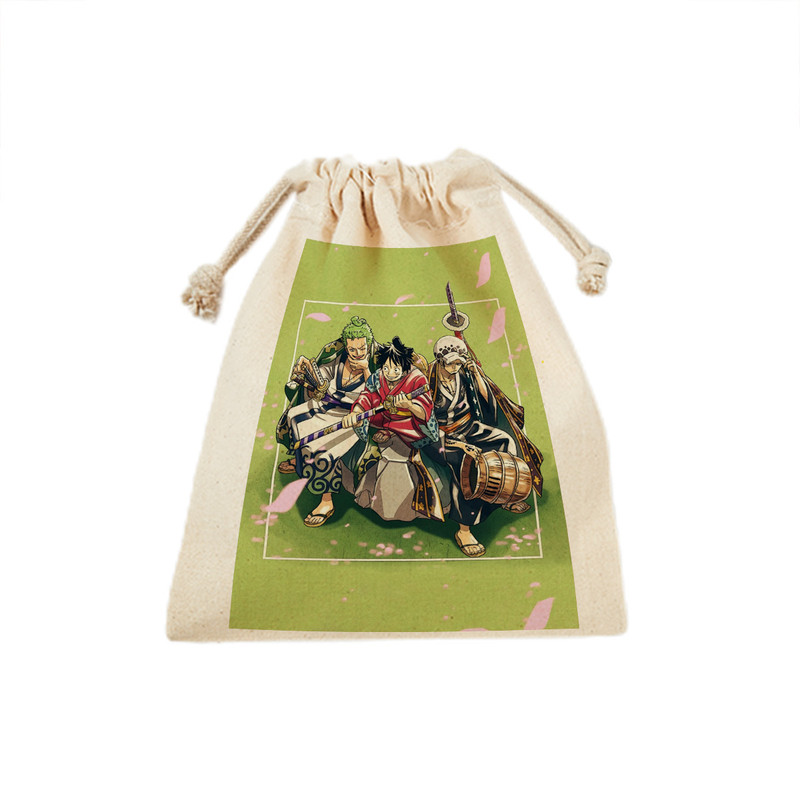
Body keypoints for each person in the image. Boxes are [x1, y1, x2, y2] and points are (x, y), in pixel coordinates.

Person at [421, 335, 544, 557]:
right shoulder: (426, 379)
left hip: (468, 426)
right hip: (440, 436)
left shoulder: (463, 373)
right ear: (440, 360)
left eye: (459, 362)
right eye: (451, 363)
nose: (455, 367)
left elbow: (487, 401)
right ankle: (464, 530)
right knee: (465, 465)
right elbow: (425, 422)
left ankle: (505, 496)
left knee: (504, 440)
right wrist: (459, 445)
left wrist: (477, 374)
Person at [275, 316, 378, 527]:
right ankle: (300, 462)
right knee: (294, 417)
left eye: (362, 348)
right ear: (346, 347)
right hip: (326, 406)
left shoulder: (374, 366)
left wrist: (366, 369)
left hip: (351, 418)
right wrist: (309, 378)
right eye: (352, 349)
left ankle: (326, 500)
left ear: (368, 345)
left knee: (323, 448)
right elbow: (322, 376)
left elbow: (375, 394)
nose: (357, 353)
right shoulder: (338, 359)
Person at [340, 337, 447, 522]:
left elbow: (425, 411)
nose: (390, 373)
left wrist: (410, 405)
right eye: (386, 368)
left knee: (396, 460)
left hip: (411, 429)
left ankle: (402, 510)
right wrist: (356, 411)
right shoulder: (378, 376)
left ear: (404, 368)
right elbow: (367, 396)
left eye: (395, 369)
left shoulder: (417, 379)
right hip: (385, 423)